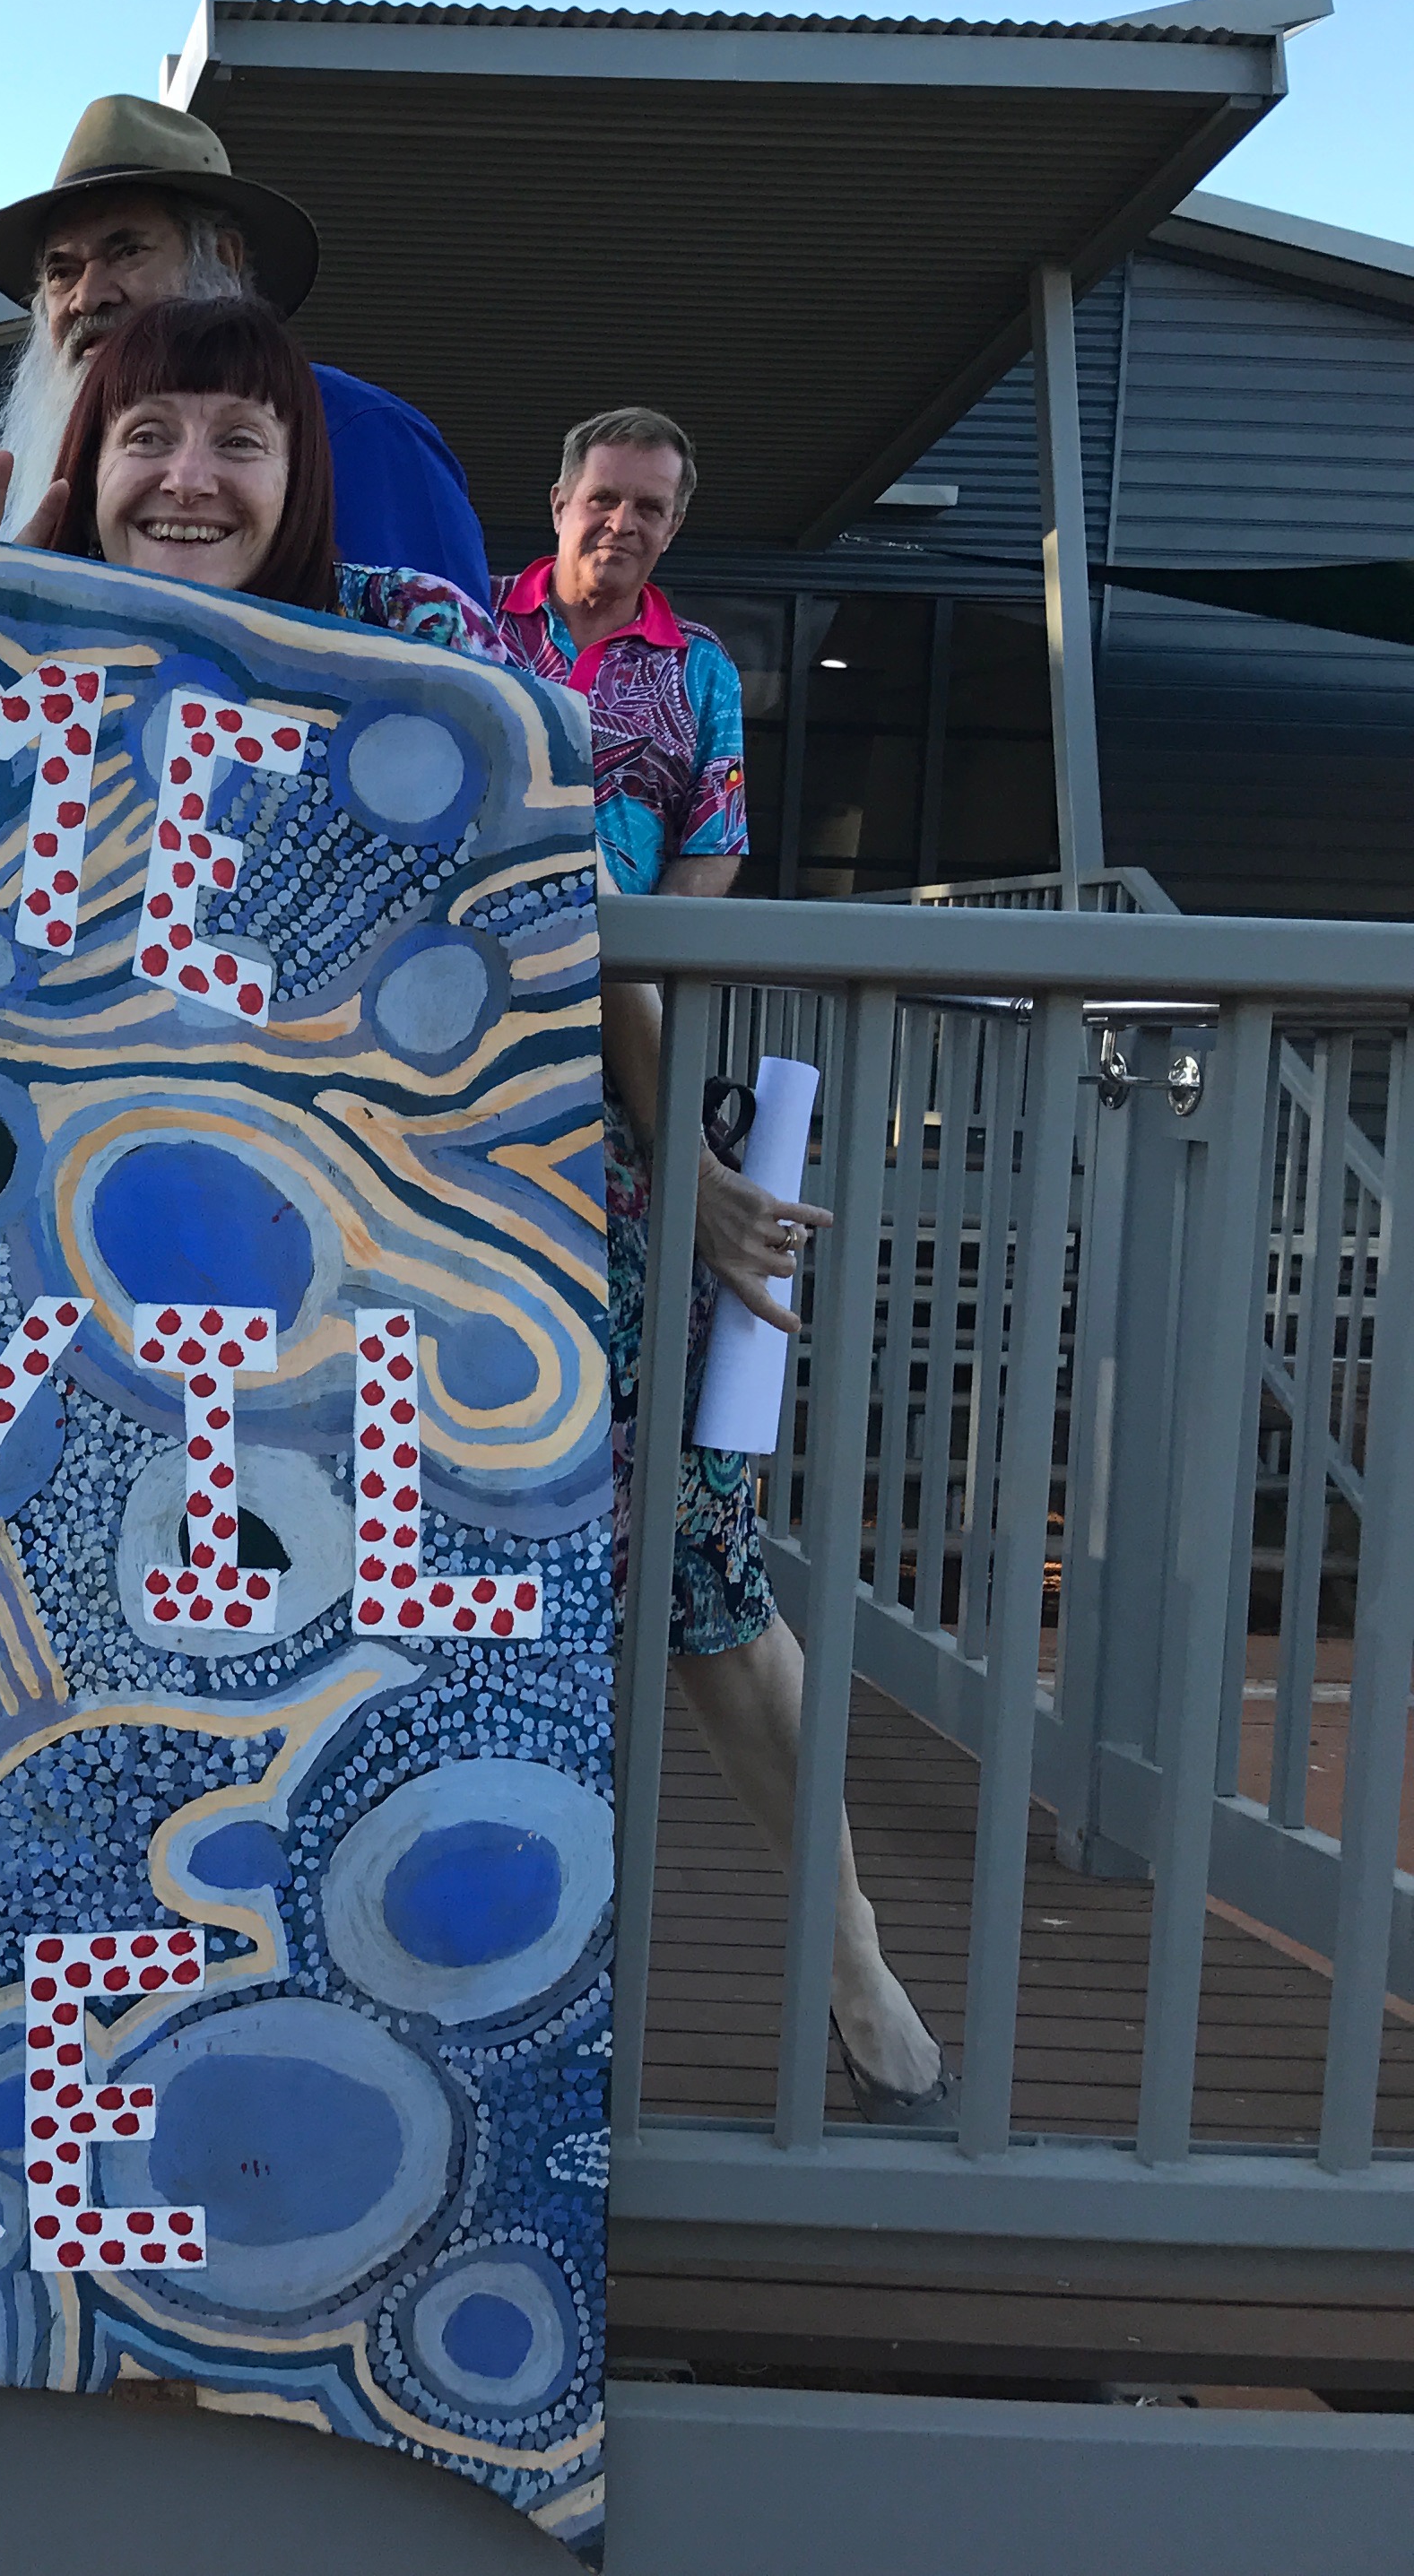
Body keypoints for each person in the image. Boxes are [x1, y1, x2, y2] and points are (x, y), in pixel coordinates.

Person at [500, 404, 955, 2125]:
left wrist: (669, 1126)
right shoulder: (466, 626)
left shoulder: (689, 677)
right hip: (445, 1107)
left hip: (623, 1121)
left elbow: (703, 861)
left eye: (649, 507)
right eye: (599, 497)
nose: (619, 523)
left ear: (674, 528)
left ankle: (851, 1949)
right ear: (556, 504)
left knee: (697, 1559)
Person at [0, 94, 489, 597]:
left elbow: (443, 677)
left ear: (223, 259)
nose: (86, 297)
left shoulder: (358, 428)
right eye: (61, 271)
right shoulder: (45, 459)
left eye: (127, 251)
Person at [34, 295, 503, 661]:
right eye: (147, 436)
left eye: (239, 441)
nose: (188, 481)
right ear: (90, 472)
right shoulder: (5, 640)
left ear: (296, 482)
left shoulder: (418, 625)